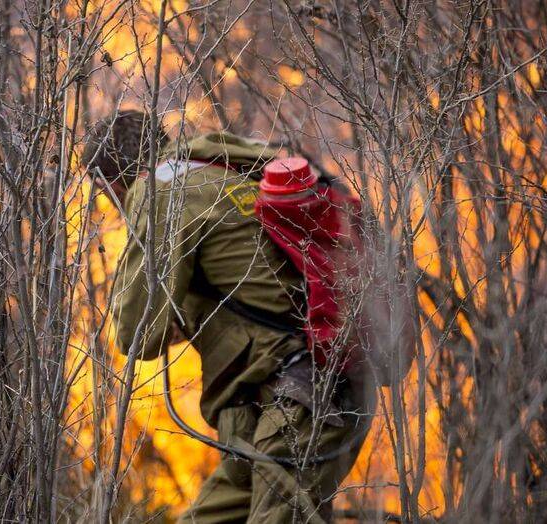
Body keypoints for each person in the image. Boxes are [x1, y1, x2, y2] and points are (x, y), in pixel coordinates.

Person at [82, 110, 376, 523]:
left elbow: (136, 336)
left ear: (108, 181)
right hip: (284, 404)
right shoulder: (222, 167)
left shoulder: (162, 191)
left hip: (300, 400)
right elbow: (241, 287)